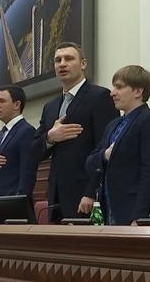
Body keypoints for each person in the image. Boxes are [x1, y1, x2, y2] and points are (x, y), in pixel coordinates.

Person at [33, 42, 118, 222]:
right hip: (56, 194)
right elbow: (34, 150)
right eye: (58, 60)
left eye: (69, 59)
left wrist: (91, 192)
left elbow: (104, 147)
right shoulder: (50, 106)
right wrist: (50, 137)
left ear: (83, 64)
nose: (62, 64)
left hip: (85, 194)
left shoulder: (100, 97)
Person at [86, 65, 150, 225]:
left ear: (138, 91)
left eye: (119, 87)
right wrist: (104, 155)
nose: (112, 92)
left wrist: (139, 217)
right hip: (108, 208)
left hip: (133, 211)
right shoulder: (113, 125)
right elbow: (90, 162)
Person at [0, 85, 38, 198]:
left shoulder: (26, 131)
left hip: (12, 201)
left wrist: (19, 199)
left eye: (2, 101)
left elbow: (27, 171)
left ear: (17, 105)